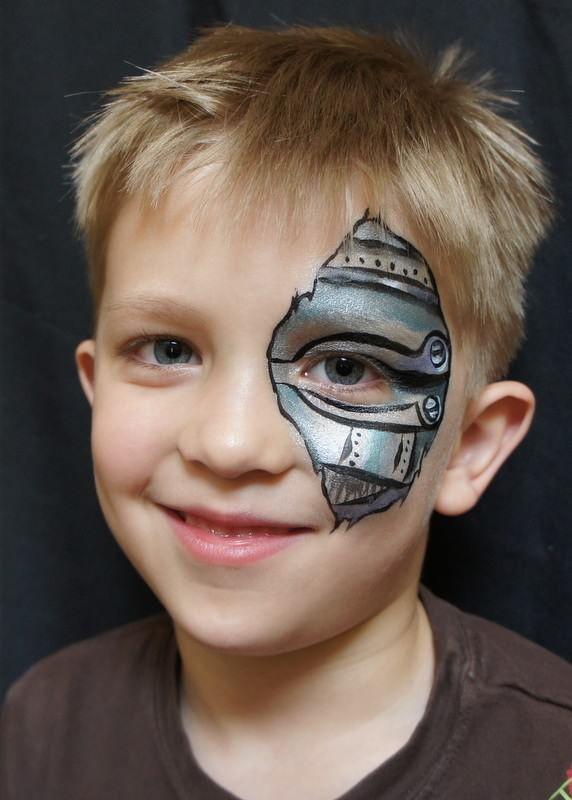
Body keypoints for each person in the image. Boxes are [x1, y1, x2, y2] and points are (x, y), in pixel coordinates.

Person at [1, 25, 570, 800]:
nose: (230, 444)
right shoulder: (41, 733)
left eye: (345, 368)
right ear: (96, 388)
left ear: (469, 447)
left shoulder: (553, 763)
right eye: (169, 350)